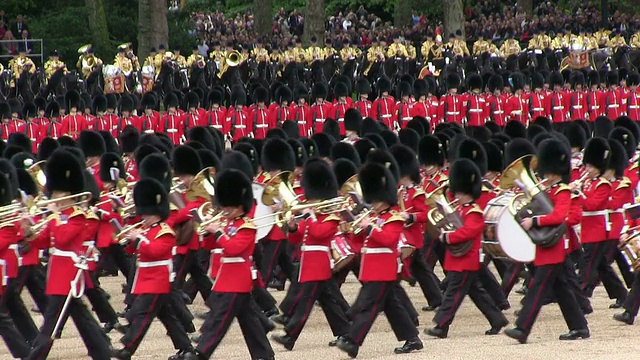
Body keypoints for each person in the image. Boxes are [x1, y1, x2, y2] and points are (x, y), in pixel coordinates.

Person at [25, 150, 113, 359]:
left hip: (67, 273)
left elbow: (63, 238)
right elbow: (43, 241)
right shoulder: (60, 216)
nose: (52, 198)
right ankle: (102, 351)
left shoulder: (77, 215)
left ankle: (35, 356)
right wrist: (27, 231)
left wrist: (54, 216)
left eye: (56, 195)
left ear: (65, 195)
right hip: (58, 272)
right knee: (82, 319)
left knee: (50, 323)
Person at [504, 138, 590, 343]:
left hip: (553, 248)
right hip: (547, 247)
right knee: (563, 291)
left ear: (558, 171)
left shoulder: (563, 191)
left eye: (550, 172)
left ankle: (522, 328)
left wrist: (535, 220)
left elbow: (559, 217)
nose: (547, 176)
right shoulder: (549, 191)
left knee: (538, 289)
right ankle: (579, 327)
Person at [335, 162, 423, 358]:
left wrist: (369, 227)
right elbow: (359, 240)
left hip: (383, 269)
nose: (371, 202)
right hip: (373, 269)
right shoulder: (374, 216)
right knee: (392, 307)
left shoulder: (393, 218)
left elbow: (388, 239)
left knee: (368, 306)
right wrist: (349, 226)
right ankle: (412, 339)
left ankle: (353, 341)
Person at [186, 169, 275, 360]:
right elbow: (211, 245)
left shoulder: (247, 226)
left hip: (237, 279)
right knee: (249, 321)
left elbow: (234, 248)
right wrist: (209, 232)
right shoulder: (227, 223)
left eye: (229, 206)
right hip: (227, 278)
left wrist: (218, 232)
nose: (225, 209)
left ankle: (201, 353)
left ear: (240, 206)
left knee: (220, 319)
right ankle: (264, 355)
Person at [271, 159, 351, 350]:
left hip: (319, 264)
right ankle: (346, 333)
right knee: (329, 303)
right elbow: (297, 239)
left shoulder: (331, 217)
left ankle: (290, 337)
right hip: (309, 263)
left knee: (304, 303)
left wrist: (309, 216)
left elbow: (319, 234)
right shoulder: (313, 216)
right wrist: (291, 227)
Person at [112, 178, 195, 360]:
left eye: (146, 213)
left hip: (158, 280)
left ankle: (128, 348)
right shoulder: (147, 229)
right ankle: (186, 349)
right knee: (168, 318)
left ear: (155, 213)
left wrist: (140, 238)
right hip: (148, 280)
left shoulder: (164, 231)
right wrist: (130, 238)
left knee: (142, 315)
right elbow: (135, 251)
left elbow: (155, 251)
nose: (143, 217)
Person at [426, 158, 508, 338]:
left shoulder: (474, 212)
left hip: (466, 258)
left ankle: (441, 325)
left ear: (468, 193)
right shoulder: (461, 209)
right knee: (477, 293)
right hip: (459, 257)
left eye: (459, 193)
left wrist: (447, 236)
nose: (456, 196)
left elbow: (467, 232)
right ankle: (497, 319)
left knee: (453, 294)